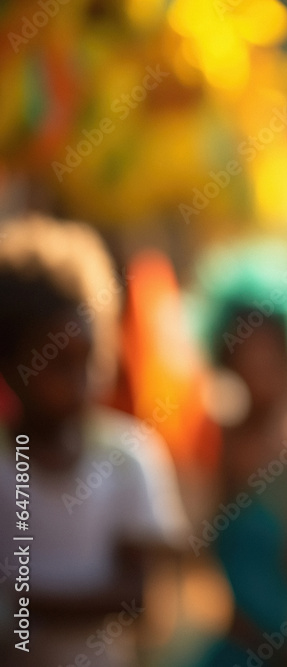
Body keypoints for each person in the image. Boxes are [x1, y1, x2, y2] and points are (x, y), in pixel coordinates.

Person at [0, 214, 189, 667]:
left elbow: (140, 598)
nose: (79, 383)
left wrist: (20, 602)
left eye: (87, 361)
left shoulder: (128, 456)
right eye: (56, 364)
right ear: (10, 361)